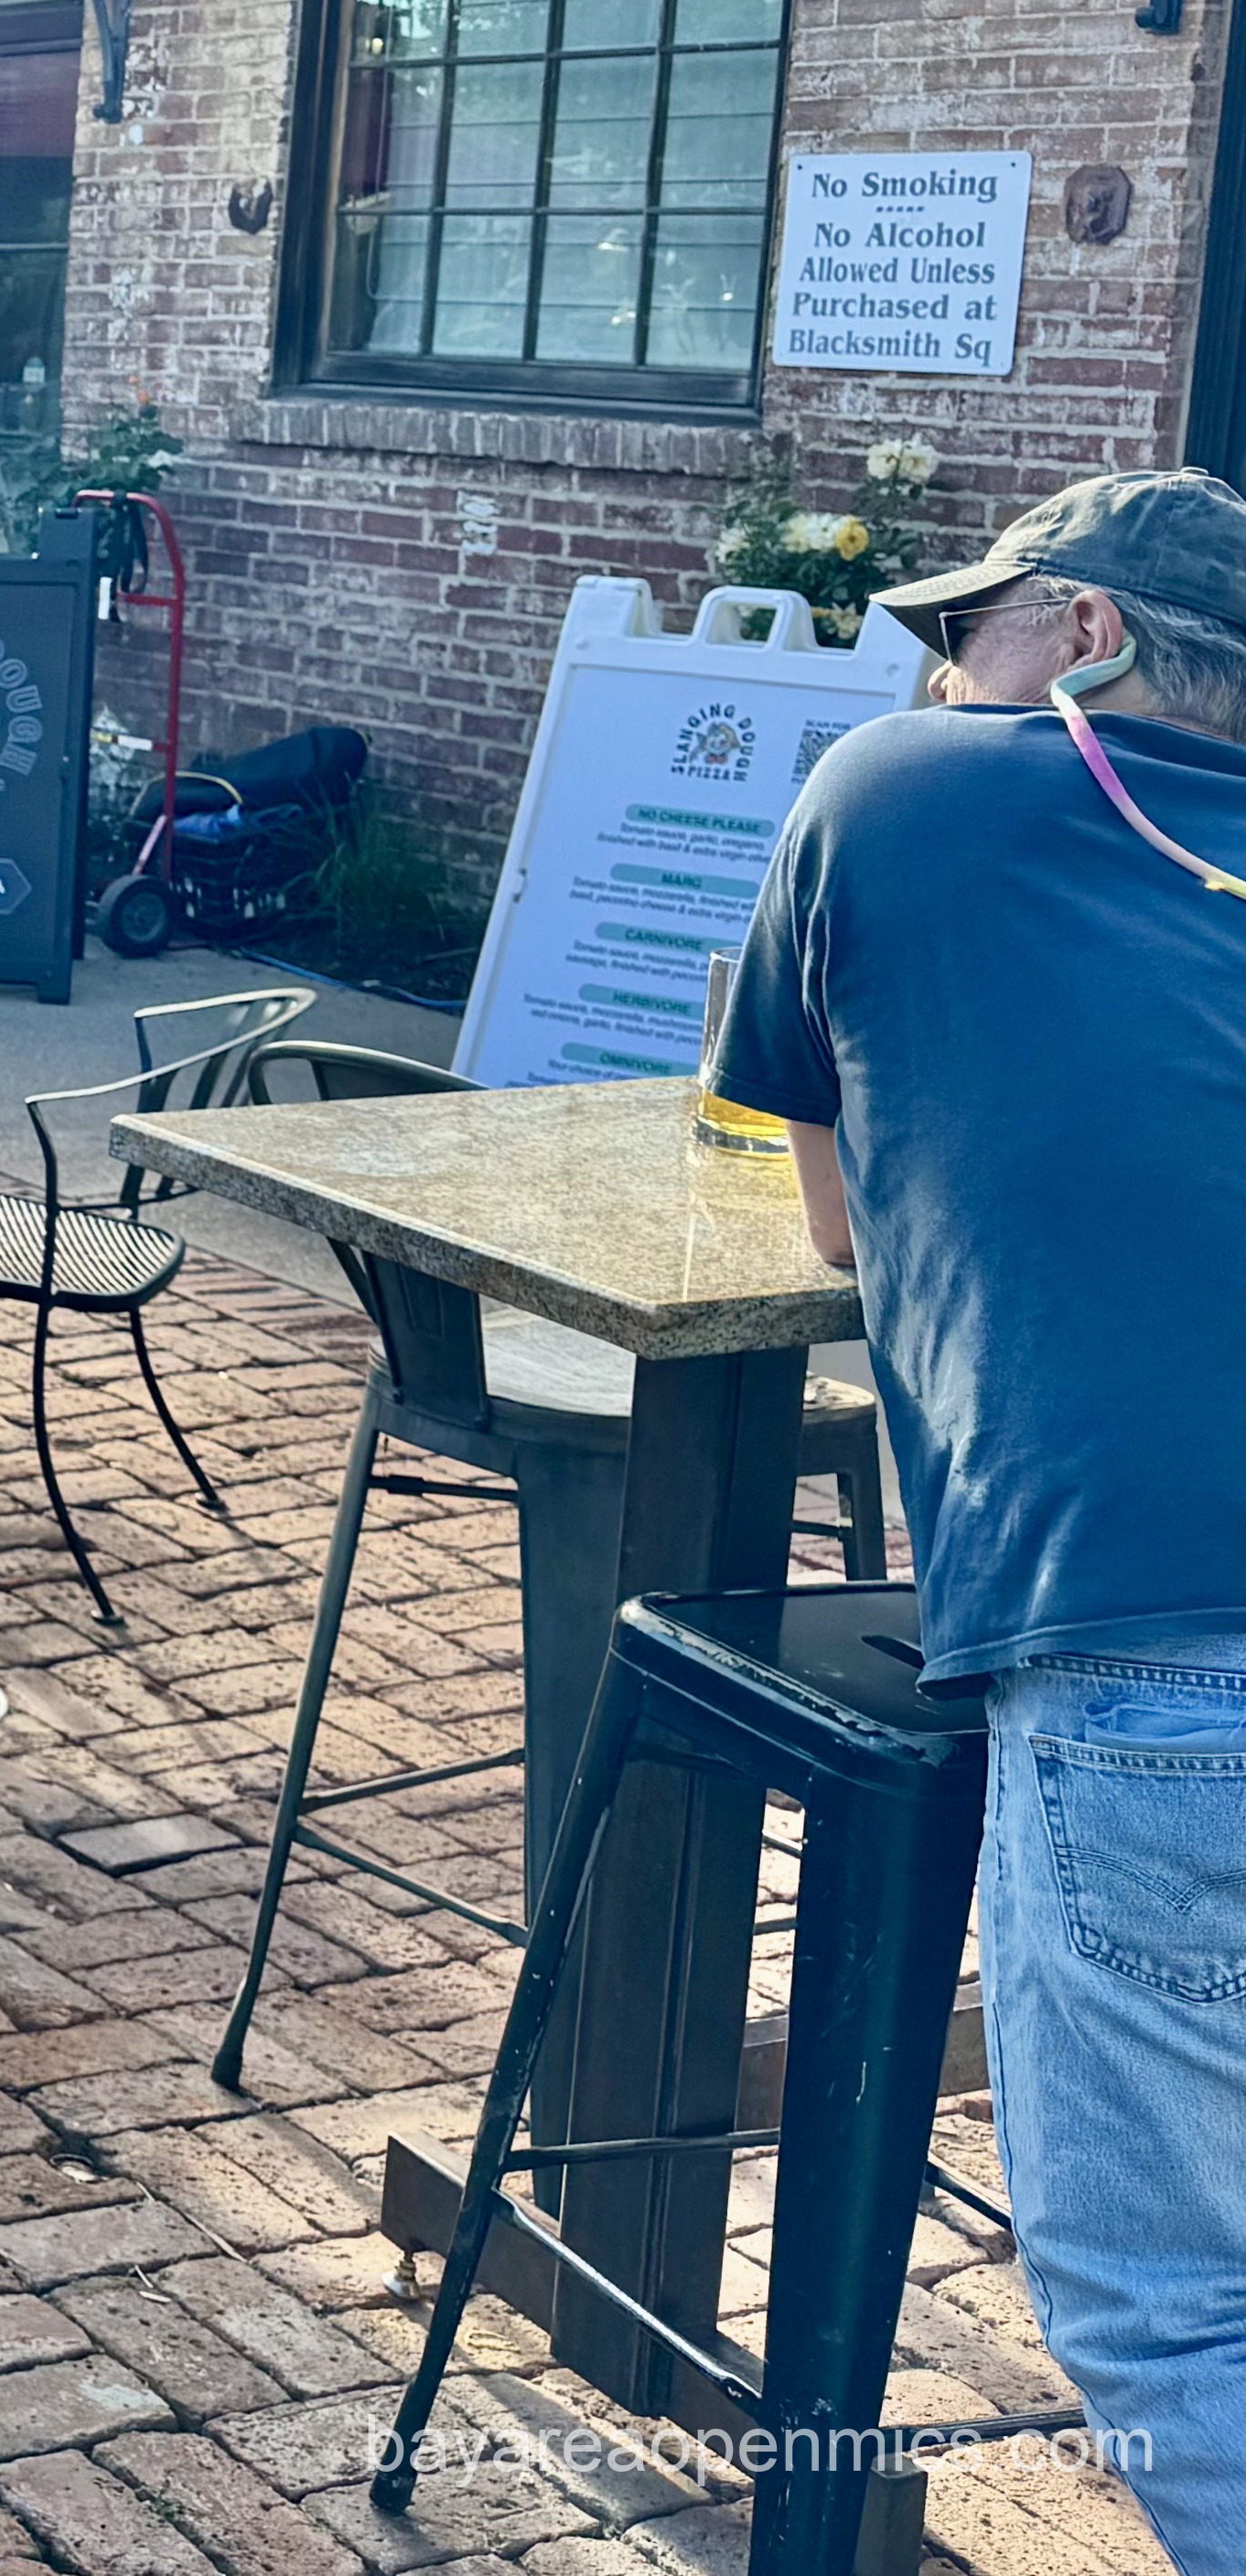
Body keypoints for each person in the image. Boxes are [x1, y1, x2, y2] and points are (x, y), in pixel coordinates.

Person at [711, 468, 1246, 2564]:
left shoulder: (899, 793)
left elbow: (837, 1218)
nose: (942, 665)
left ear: (1087, 639)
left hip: (1150, 1633)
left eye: (981, 623)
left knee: (1172, 2309)